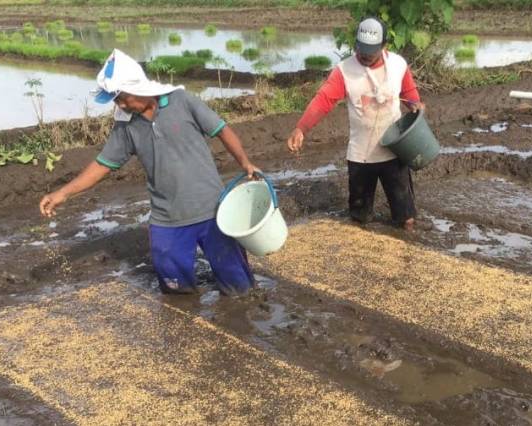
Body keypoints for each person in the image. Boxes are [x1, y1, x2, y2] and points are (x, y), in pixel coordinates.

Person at [39, 49, 257, 296]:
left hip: (212, 209)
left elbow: (221, 130)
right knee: (175, 292)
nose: (119, 104)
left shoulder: (182, 101)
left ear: (139, 89)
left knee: (240, 289)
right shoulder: (126, 126)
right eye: (115, 99)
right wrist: (63, 193)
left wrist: (245, 163)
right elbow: (103, 164)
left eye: (122, 97)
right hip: (167, 218)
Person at [287, 17, 426, 231]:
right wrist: (301, 128)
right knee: (360, 219)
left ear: (384, 46)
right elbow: (323, 100)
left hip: (395, 151)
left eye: (371, 51)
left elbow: (408, 93)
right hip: (361, 155)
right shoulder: (344, 71)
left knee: (405, 217)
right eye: (361, 49)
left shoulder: (398, 65)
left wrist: (415, 104)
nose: (365, 55)